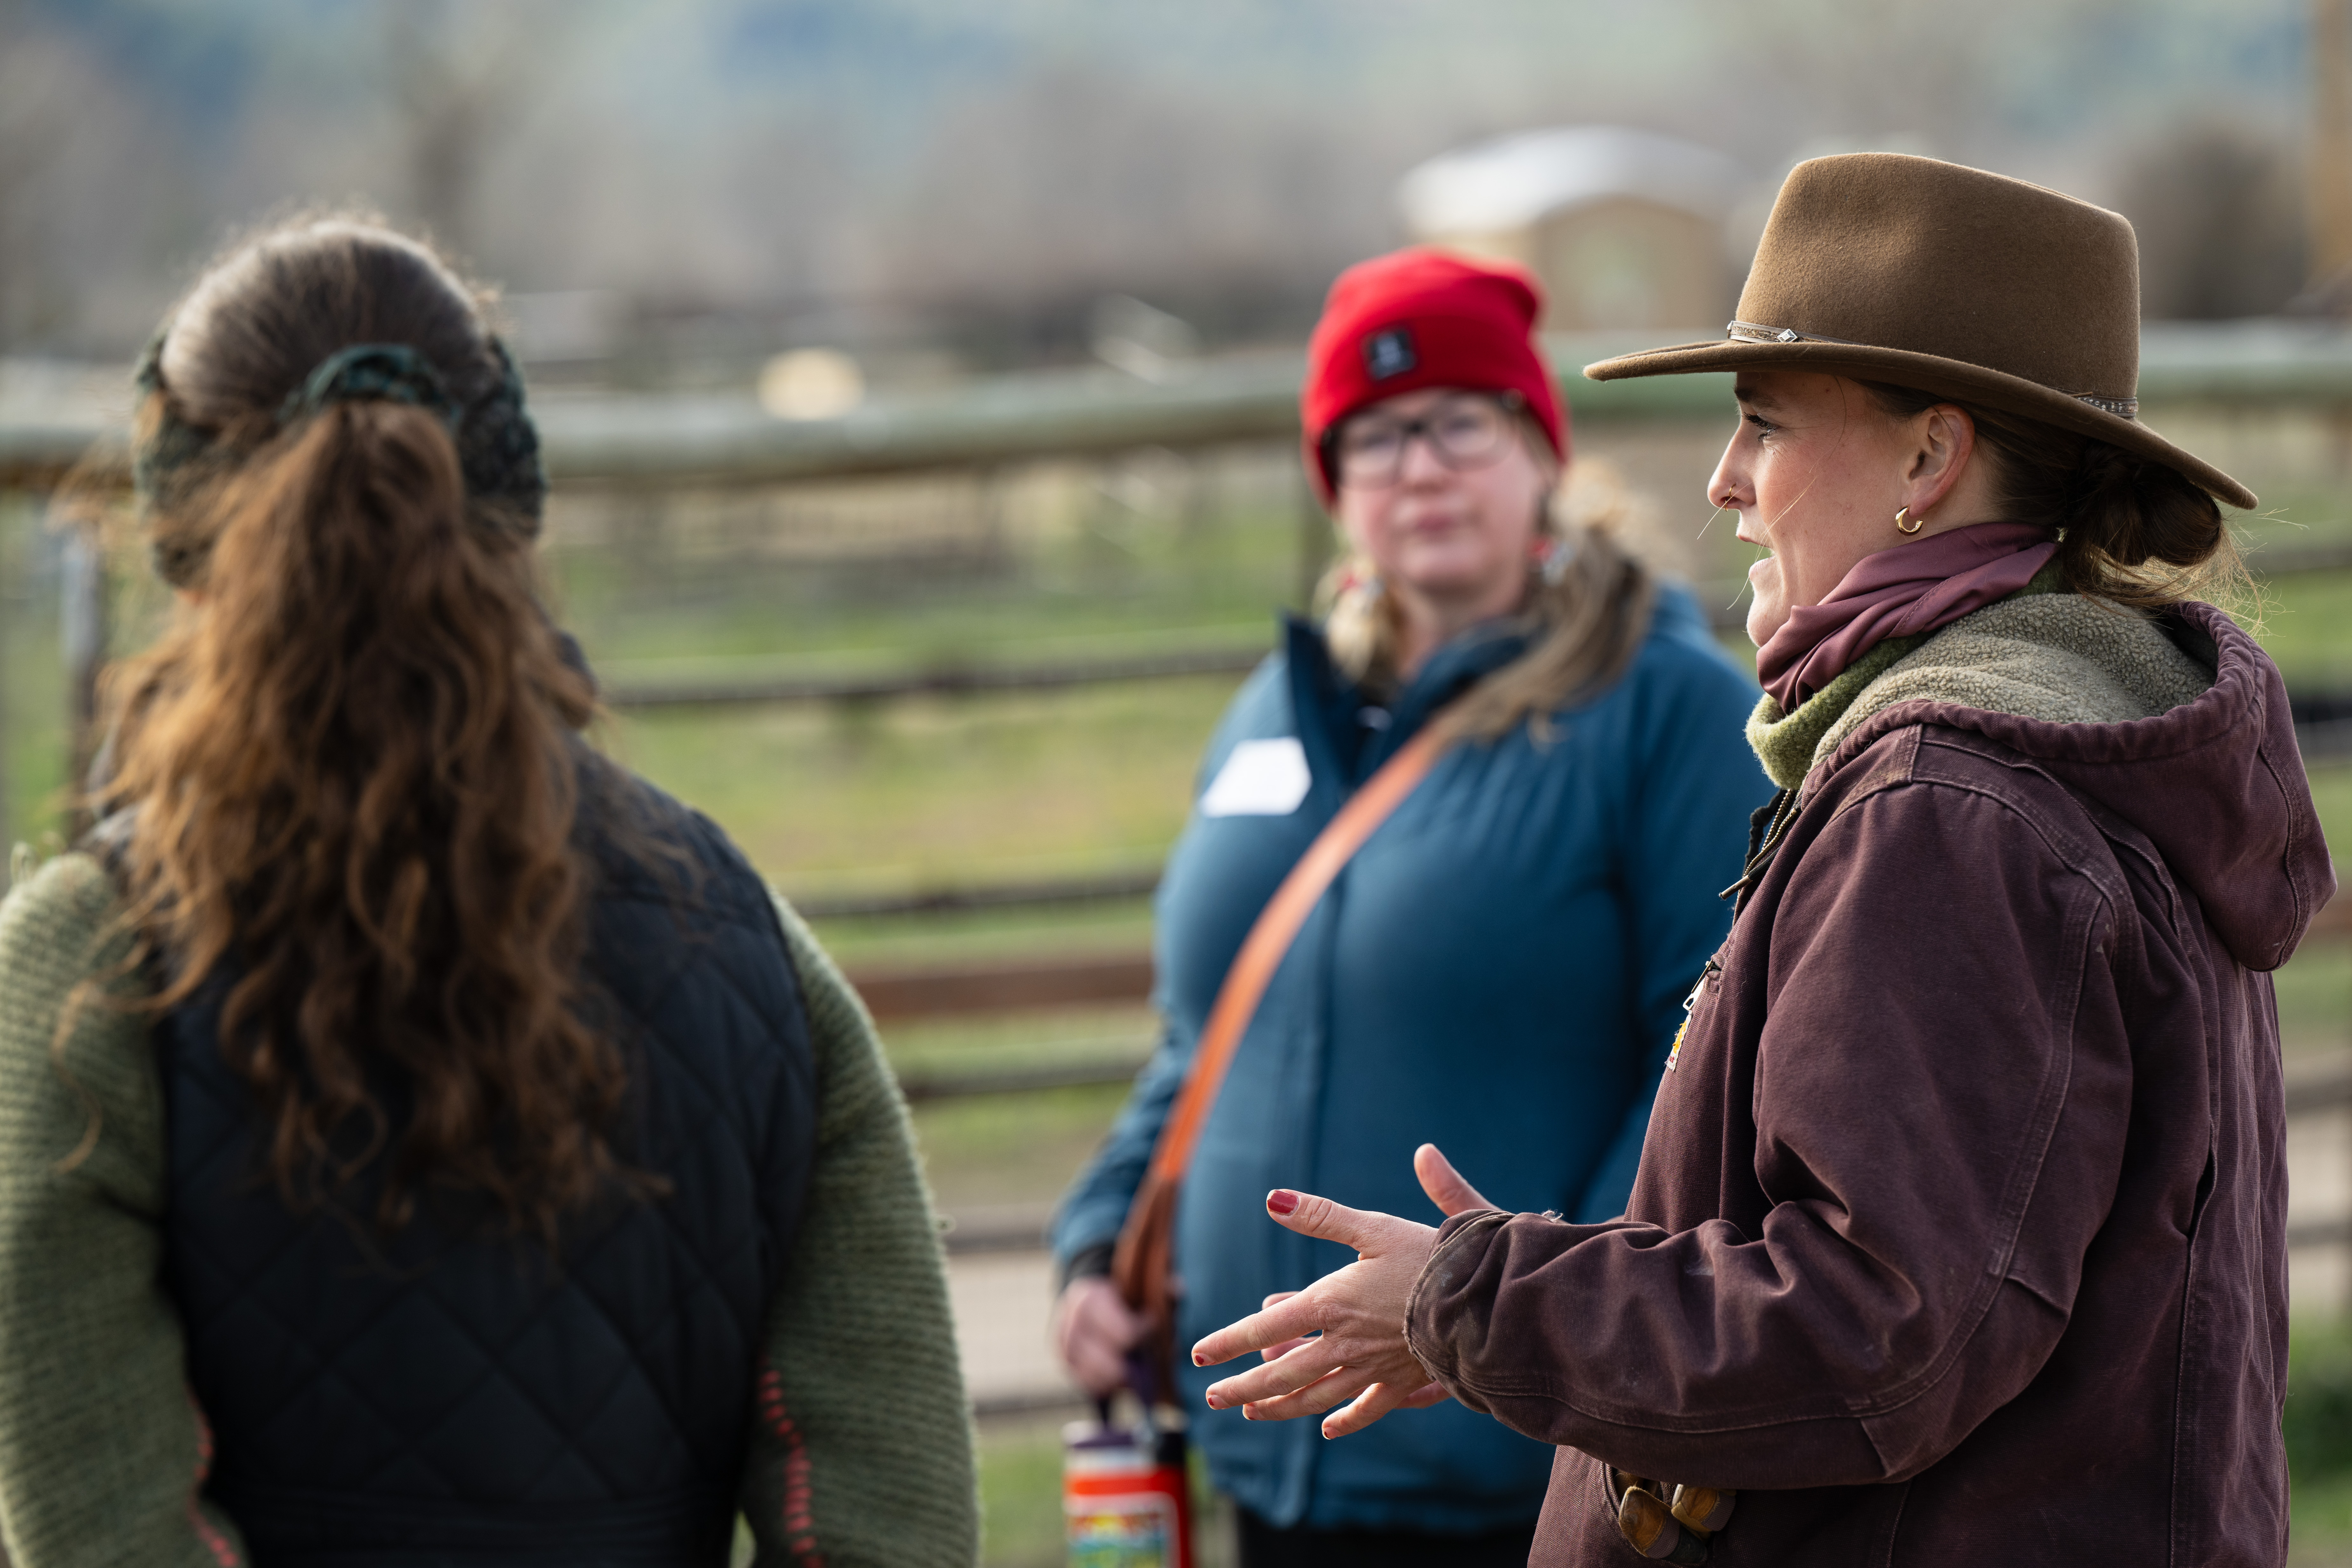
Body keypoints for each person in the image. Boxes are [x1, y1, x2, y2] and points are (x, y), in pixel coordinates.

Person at [1189, 154, 2335, 1565]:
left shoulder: (1953, 807)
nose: (1725, 484)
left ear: (1930, 459)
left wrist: (1478, 1301)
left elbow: (1877, 1328)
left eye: (1764, 424)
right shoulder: (2065, 745)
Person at [0, 217, 978, 1567]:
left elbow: (98, 1522)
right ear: (508, 492)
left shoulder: (81, 966)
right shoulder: (742, 940)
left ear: (178, 519)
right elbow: (887, 1516)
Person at [1048, 247, 1770, 1563]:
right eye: (1371, 439)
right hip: (1275, 1470)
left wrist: (1520, 1324)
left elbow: (1707, 1062)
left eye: (1455, 422)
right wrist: (1104, 1239)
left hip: (1519, 1464)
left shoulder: (1664, 710)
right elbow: (1202, 1035)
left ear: (1537, 451)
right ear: (1334, 488)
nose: (1417, 466)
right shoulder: (1276, 714)